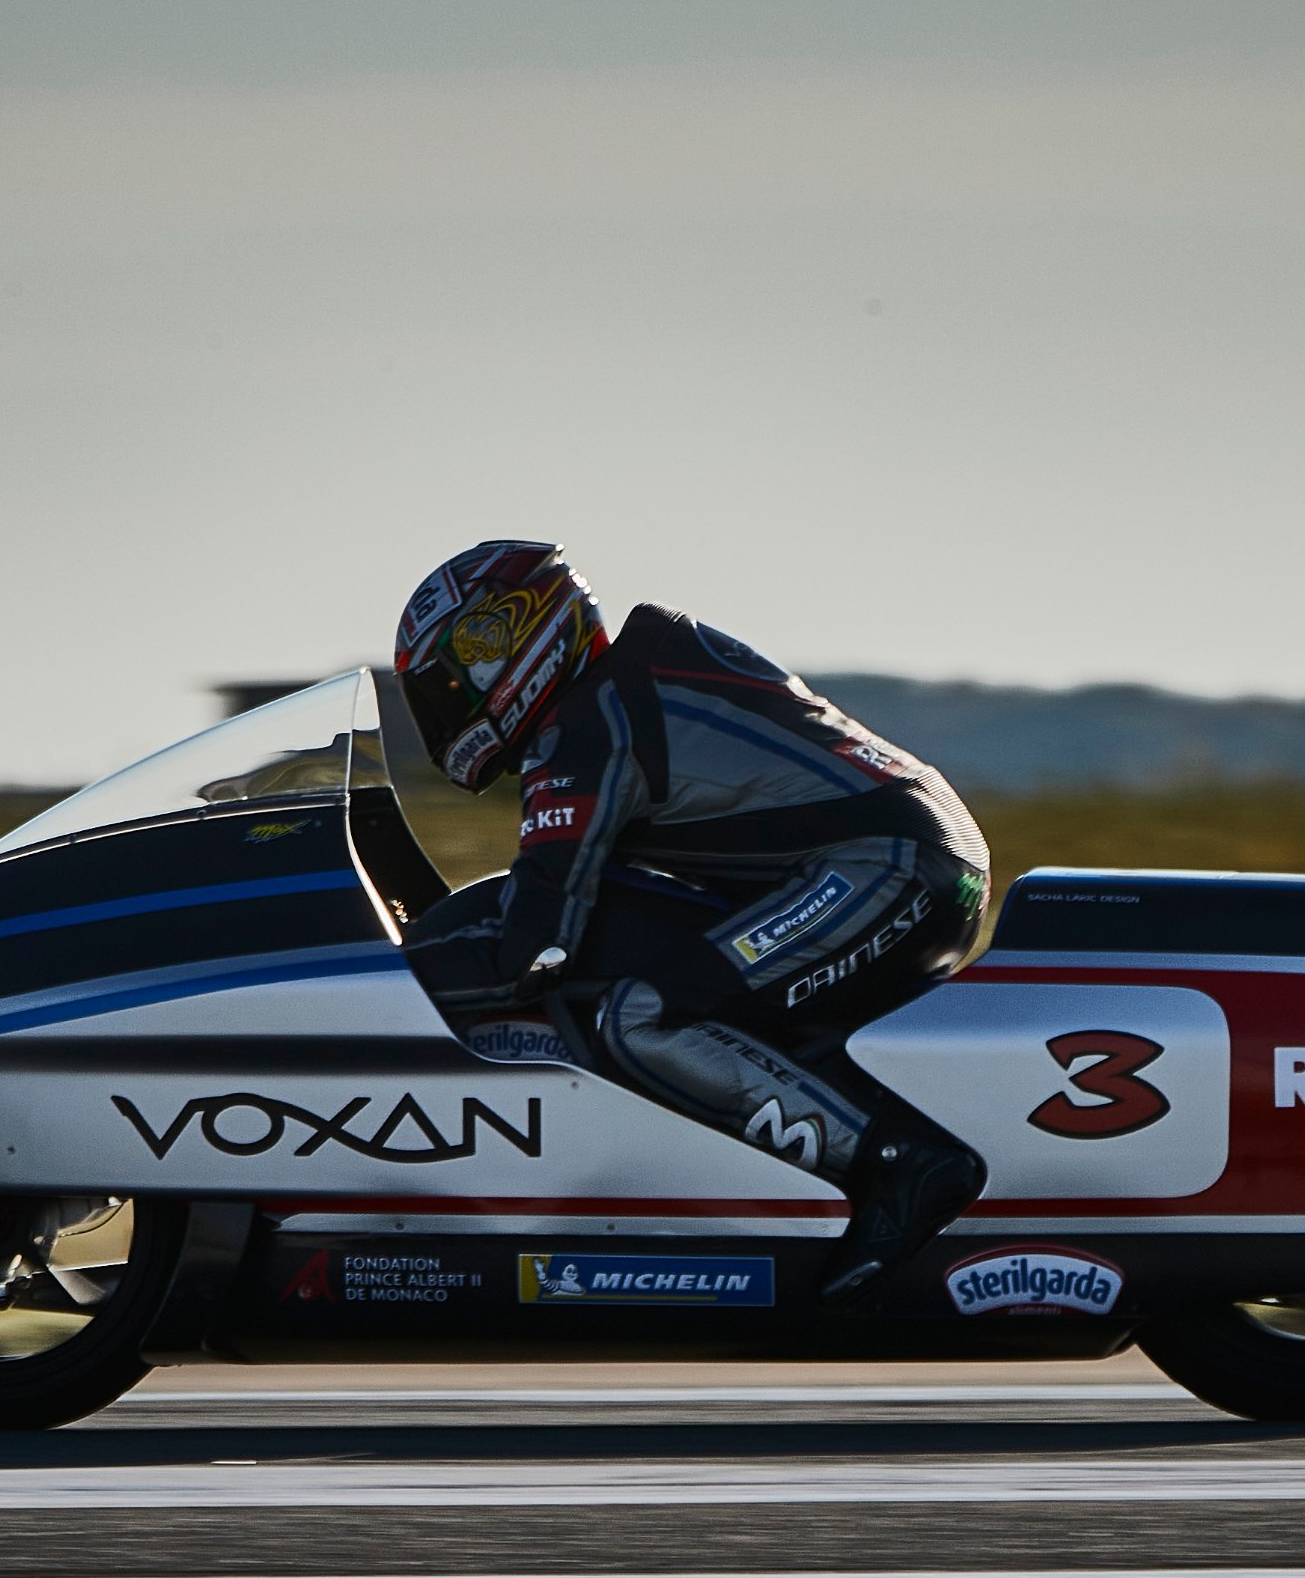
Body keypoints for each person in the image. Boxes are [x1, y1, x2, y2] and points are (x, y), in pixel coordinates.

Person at [390, 541, 994, 1302]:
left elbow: (535, 942)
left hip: (886, 868)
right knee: (689, 983)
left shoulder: (587, 725)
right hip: (909, 854)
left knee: (645, 1014)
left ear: (515, 638)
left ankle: (904, 1159)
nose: (448, 701)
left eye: (460, 670)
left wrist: (386, 987)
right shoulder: (625, 684)